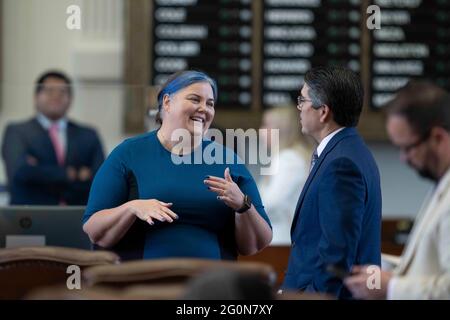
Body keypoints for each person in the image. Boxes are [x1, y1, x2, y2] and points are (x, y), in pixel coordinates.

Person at [82, 70, 272, 261]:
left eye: (210, 103)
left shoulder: (227, 160)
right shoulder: (128, 154)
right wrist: (132, 208)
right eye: (195, 99)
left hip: (213, 285)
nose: (204, 108)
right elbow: (95, 230)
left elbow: (257, 243)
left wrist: (242, 205)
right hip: (142, 285)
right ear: (167, 102)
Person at [281, 66, 382, 299]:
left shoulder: (342, 163)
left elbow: (337, 254)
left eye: (302, 100)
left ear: (323, 111)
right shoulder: (348, 151)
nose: (299, 108)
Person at [345, 81, 450, 300]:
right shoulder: (441, 184)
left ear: (438, 137)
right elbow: (430, 267)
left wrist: (391, 287)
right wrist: (378, 270)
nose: (403, 158)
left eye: (408, 148)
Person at [1, 70, 105, 205]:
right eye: (49, 91)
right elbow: (19, 174)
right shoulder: (17, 132)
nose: (56, 96)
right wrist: (73, 174)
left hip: (78, 216)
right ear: (36, 97)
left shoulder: (88, 135)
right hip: (30, 217)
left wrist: (39, 170)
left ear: (71, 99)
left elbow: (101, 180)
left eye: (62, 91)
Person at [258, 106, 312, 245]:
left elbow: (269, 203)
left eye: (266, 125)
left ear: (281, 130)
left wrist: (241, 203)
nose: (261, 131)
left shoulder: (288, 159)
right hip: (282, 239)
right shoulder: (287, 157)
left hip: (282, 242)